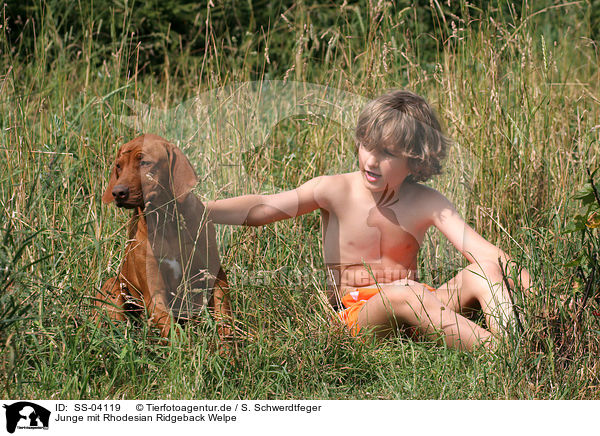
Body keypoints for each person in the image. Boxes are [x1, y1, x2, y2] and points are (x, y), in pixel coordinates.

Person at [206, 89, 531, 351]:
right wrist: (200, 209)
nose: (372, 159)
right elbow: (264, 207)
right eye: (367, 146)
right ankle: (503, 355)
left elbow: (487, 254)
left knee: (484, 271)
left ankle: (517, 345)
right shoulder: (334, 189)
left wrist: (553, 298)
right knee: (406, 292)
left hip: (418, 305)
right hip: (357, 318)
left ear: (416, 160)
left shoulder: (427, 200)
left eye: (387, 153)